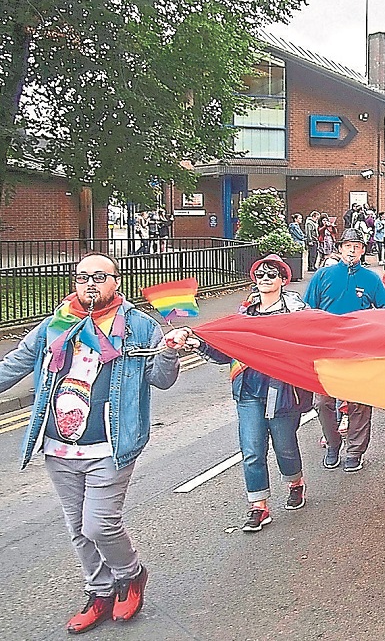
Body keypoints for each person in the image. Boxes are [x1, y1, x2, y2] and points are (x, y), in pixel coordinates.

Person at [0, 253, 180, 633]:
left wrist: (168, 351)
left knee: (99, 525)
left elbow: (161, 380)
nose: (90, 283)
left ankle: (130, 574)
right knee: (78, 529)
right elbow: (15, 364)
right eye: (82, 277)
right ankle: (99, 591)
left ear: (117, 281)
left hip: (111, 446)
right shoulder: (56, 324)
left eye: (100, 276)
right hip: (58, 446)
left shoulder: (139, 326)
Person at [168, 255, 309, 532]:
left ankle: (295, 482)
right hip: (247, 390)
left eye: (272, 274)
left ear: (283, 279)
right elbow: (225, 351)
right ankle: (258, 506)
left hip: (281, 391)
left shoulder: (296, 312)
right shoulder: (244, 313)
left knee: (285, 447)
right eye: (261, 274)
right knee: (252, 450)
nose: (265, 279)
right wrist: (199, 343)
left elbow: (310, 342)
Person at [304, 230, 385, 472]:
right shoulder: (323, 276)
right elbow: (306, 311)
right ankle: (333, 444)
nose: (352, 250)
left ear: (363, 250)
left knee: (359, 404)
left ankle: (355, 451)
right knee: (322, 402)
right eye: (348, 246)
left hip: (358, 351)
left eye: (357, 246)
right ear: (340, 249)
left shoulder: (371, 279)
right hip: (327, 351)